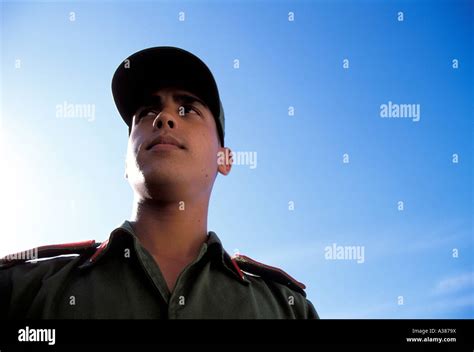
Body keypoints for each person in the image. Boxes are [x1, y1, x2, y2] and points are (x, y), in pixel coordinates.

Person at [0, 46, 319, 319]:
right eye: (146, 112)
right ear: (126, 163)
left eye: (187, 109)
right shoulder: (25, 288)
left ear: (224, 159)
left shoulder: (285, 309)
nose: (163, 118)